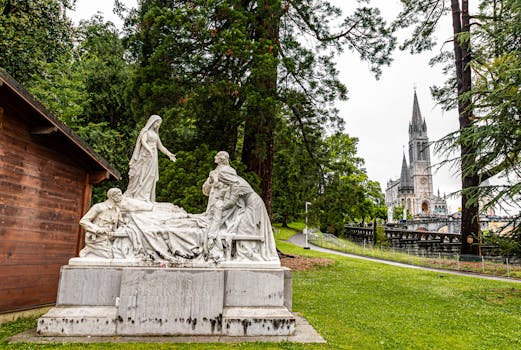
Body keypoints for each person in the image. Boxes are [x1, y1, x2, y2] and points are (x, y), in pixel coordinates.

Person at [217, 167, 279, 262]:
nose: (224, 183)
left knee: (244, 228)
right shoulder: (238, 181)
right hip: (252, 203)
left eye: (222, 180)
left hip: (254, 205)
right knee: (244, 227)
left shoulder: (236, 185)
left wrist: (219, 208)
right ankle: (245, 253)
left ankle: (245, 255)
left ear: (226, 177)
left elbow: (231, 203)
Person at [125, 115, 176, 202]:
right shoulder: (145, 132)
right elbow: (143, 141)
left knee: (151, 175)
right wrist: (149, 149)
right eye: (157, 122)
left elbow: (160, 146)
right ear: (152, 122)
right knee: (142, 174)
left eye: (159, 123)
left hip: (153, 156)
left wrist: (169, 154)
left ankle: (146, 196)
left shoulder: (156, 135)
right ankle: (139, 195)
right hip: (145, 155)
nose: (158, 124)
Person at [79, 188, 124, 259]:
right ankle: (88, 250)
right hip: (97, 240)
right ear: (112, 196)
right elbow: (83, 221)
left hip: (109, 240)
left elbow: (122, 225)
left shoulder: (117, 210)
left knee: (120, 255)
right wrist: (97, 229)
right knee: (111, 256)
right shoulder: (99, 207)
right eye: (119, 195)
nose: (122, 197)